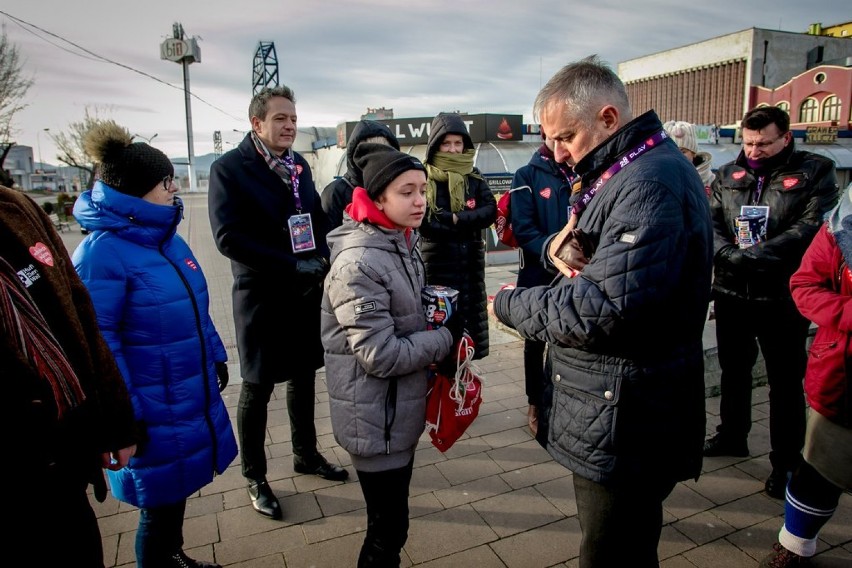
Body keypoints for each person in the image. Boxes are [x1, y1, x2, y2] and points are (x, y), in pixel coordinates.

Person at [490, 55, 713, 567]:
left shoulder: (647, 182)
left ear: (608, 119)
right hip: (618, 402)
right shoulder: (632, 171)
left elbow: (602, 309)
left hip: (626, 411)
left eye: (566, 136)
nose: (558, 153)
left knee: (612, 551)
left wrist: (509, 303)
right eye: (550, 140)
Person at [71, 122, 237, 568]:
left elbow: (195, 305)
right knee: (156, 508)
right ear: (137, 192)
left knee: (173, 492)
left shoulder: (164, 238)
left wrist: (216, 354)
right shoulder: (101, 252)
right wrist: (123, 417)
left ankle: (172, 557)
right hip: (148, 404)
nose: (174, 188)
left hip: (181, 392)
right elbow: (99, 345)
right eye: (166, 182)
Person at [208, 85, 348, 521]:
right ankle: (255, 477)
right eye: (280, 119)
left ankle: (306, 454)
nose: (289, 126)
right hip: (261, 296)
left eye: (293, 118)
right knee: (257, 386)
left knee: (304, 375)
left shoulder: (299, 165)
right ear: (257, 123)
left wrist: (332, 243)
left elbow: (312, 215)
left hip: (303, 291)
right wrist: (289, 264)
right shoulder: (229, 168)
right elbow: (228, 238)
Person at [321, 142, 457, 567]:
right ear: (377, 198)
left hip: (395, 411)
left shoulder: (399, 240)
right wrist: (443, 340)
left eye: (423, 189)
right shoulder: (359, 262)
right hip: (375, 419)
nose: (420, 201)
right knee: (387, 532)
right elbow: (379, 355)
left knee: (390, 526)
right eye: (406, 191)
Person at [703, 105, 839, 499]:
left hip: (783, 295)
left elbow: (812, 227)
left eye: (764, 143)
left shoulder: (816, 170)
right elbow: (710, 222)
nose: (755, 150)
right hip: (731, 292)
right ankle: (732, 435)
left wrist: (758, 255)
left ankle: (786, 463)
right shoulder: (728, 174)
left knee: (784, 382)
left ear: (786, 137)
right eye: (748, 142)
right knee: (734, 370)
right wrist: (729, 254)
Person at [2, 184, 138, 567]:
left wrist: (115, 422)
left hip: (64, 448)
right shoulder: (102, 250)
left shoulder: (16, 207)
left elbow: (82, 317)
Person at [759, 187, 852, 567]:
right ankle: (795, 545)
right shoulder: (841, 226)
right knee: (820, 470)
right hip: (843, 377)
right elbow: (805, 285)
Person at [508, 134, 576, 440]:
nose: (560, 145)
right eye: (553, 137)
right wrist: (557, 252)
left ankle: (563, 404)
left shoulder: (584, 172)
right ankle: (535, 402)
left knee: (571, 338)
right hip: (538, 272)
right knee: (535, 342)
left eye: (565, 137)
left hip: (575, 272)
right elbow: (524, 229)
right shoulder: (526, 175)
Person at [419, 112, 496, 359]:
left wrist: (456, 218)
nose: (453, 149)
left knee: (468, 347)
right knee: (440, 348)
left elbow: (490, 211)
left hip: (471, 272)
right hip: (437, 269)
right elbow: (426, 222)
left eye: (458, 143)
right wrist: (465, 225)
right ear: (435, 145)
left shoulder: (474, 176)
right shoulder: (424, 177)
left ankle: (463, 395)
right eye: (446, 143)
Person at [321, 119, 400, 230]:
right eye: (368, 152)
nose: (376, 159)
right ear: (354, 155)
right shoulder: (335, 193)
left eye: (385, 153)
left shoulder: (398, 187)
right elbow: (329, 240)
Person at [662, 120, 715, 196]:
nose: (677, 156)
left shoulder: (712, 181)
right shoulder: (658, 179)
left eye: (683, 151)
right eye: (672, 151)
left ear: (693, 153)